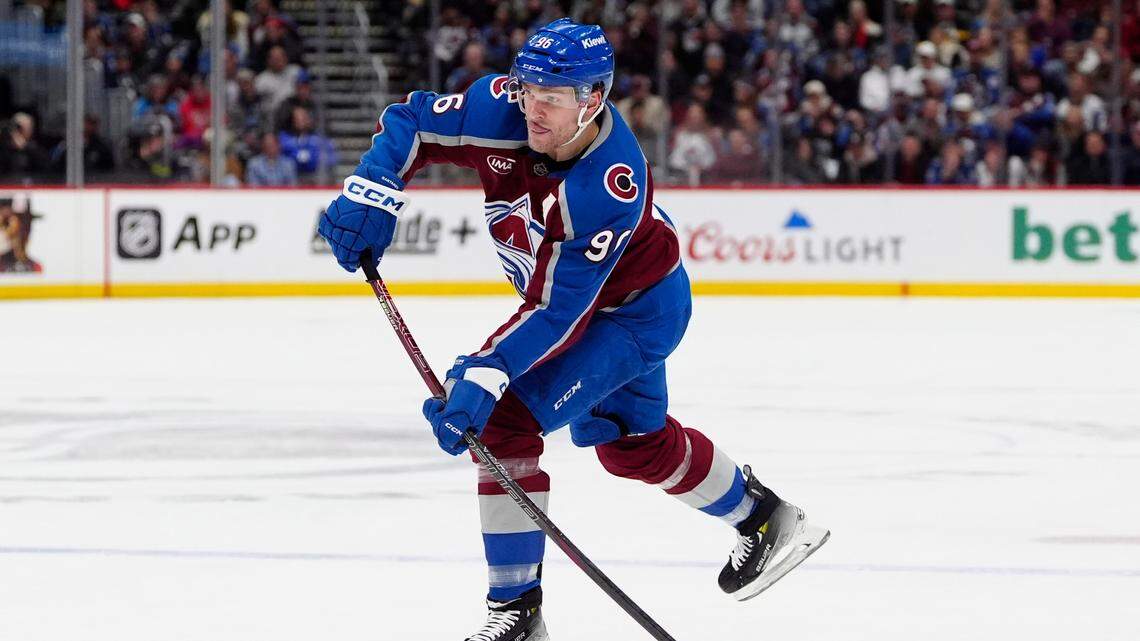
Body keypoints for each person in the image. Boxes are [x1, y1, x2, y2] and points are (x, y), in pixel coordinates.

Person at [317, 19, 829, 641]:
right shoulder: (501, 106)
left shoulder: (608, 182)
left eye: (550, 99)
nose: (531, 107)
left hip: (633, 314)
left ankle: (517, 613)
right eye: (529, 89)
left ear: (592, 101)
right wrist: (375, 187)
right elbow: (413, 122)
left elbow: (560, 312)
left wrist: (483, 371)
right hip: (609, 302)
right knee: (630, 446)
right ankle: (767, 519)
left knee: (504, 422)